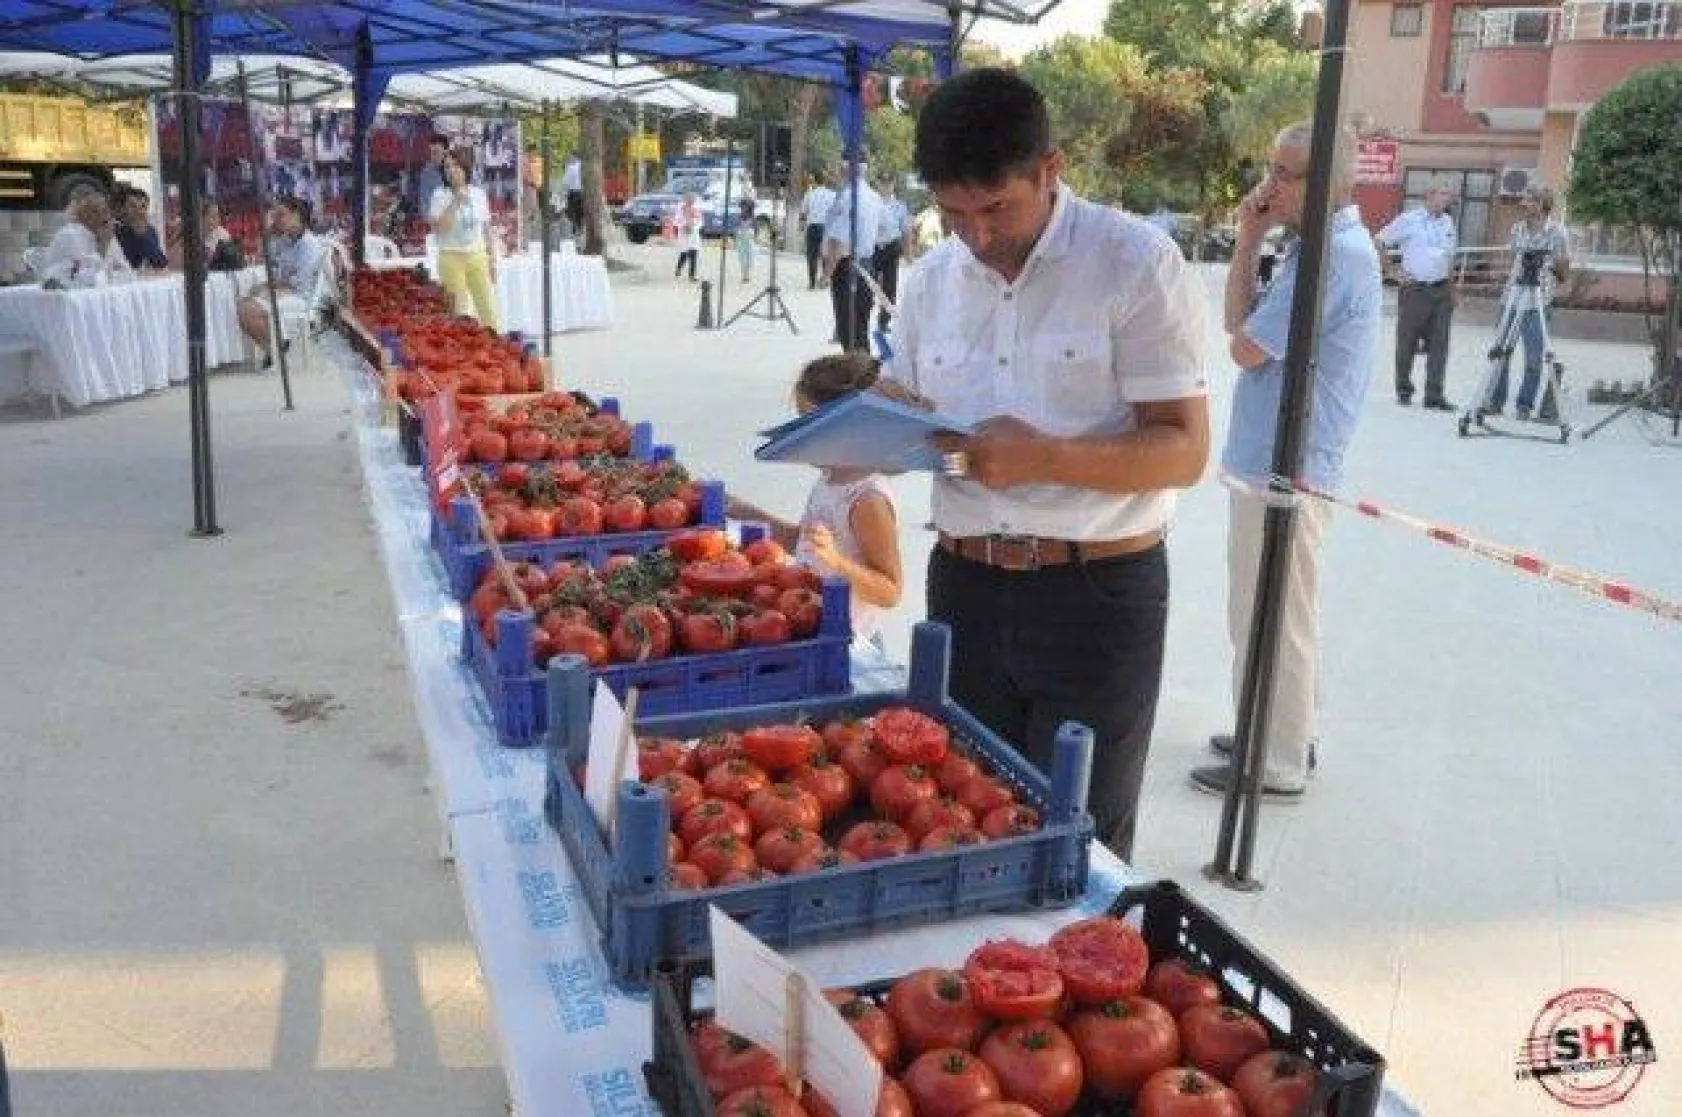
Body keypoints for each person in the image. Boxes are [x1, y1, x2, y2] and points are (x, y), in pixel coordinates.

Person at [883, 68, 1209, 860]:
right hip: (964, 583)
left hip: (1094, 592)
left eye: (998, 207)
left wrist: (1045, 455)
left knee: (1078, 841)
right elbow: (907, 396)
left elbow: (1185, 448)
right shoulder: (930, 280)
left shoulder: (1134, 263)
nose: (978, 234)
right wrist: (867, 428)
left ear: (1050, 170)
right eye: (953, 212)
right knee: (960, 821)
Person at [1192, 122, 1382, 802]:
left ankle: (1276, 756)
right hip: (1271, 459)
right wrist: (1249, 238)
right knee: (1268, 606)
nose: (1269, 185)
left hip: (1288, 465)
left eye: (1287, 173)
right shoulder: (1313, 249)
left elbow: (1244, 349)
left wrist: (1255, 239)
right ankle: (1273, 727)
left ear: (1333, 181)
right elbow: (1237, 324)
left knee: (1274, 613)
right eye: (1270, 167)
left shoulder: (1334, 257)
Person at [727, 353, 904, 647]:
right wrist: (743, 510)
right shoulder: (829, 479)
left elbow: (890, 591)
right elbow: (804, 542)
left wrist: (838, 562)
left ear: (848, 426)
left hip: (852, 644)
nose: (800, 436)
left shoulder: (867, 500)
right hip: (814, 628)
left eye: (809, 424)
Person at [1481, 184, 1571, 422]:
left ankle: (1524, 404)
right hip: (1513, 296)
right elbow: (1515, 259)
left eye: (1530, 200)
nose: (1524, 203)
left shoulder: (1557, 232)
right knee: (1502, 351)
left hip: (1540, 300)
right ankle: (1495, 401)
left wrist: (1551, 264)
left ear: (1541, 205)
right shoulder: (1518, 229)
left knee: (1534, 357)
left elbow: (1564, 269)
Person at [1377, 184, 1458, 409]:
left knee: (1440, 344)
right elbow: (1380, 241)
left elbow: (1450, 258)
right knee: (1407, 342)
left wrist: (1452, 290)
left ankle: (1434, 394)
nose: (1447, 200)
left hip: (1441, 289)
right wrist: (1391, 271)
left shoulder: (1448, 223)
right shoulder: (1409, 220)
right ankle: (1404, 388)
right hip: (1415, 289)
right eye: (1443, 194)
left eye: (1449, 196)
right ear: (1429, 195)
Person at [237, 196, 329, 361]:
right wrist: (269, 232)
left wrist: (269, 287)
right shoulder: (286, 241)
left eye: (281, 215)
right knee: (245, 301)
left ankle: (274, 346)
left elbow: (298, 281)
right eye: (275, 216)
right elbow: (263, 257)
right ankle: (276, 344)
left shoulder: (309, 244)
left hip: (300, 295)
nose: (277, 220)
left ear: (297, 215)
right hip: (285, 290)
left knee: (247, 309)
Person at [429, 148, 500, 330]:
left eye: (456, 166)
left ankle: (495, 347)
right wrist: (455, 201)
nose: (451, 171)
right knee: (459, 313)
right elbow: (439, 228)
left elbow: (486, 228)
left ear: (466, 169)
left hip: (477, 256)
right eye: (447, 167)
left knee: (488, 309)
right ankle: (463, 353)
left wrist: (492, 259)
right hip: (451, 257)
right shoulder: (439, 195)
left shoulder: (478, 194)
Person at [821, 160, 884, 352]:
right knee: (861, 328)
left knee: (848, 331)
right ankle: (864, 375)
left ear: (844, 169)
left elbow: (840, 243)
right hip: (867, 266)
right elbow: (884, 235)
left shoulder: (848, 197)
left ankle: (857, 378)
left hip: (847, 269)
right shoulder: (875, 197)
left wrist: (826, 274)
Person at [40, 185, 133, 287]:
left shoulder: (106, 234)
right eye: (96, 211)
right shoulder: (70, 235)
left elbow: (126, 270)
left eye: (106, 211)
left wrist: (116, 274)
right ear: (82, 215)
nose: (104, 216)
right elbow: (85, 277)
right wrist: (103, 246)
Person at [872, 176, 913, 332]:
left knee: (889, 287)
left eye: (889, 183)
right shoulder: (871, 202)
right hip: (873, 248)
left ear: (893, 184)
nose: (886, 186)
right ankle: (861, 316)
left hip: (891, 247)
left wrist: (908, 254)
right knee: (868, 284)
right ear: (877, 184)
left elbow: (906, 230)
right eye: (883, 183)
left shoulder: (900, 206)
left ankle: (884, 321)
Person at [112, 186, 170, 271]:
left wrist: (143, 235)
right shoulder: (114, 232)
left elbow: (160, 263)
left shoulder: (150, 231)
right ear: (121, 209)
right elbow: (127, 263)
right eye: (133, 206)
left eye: (143, 206)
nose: (139, 211)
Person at [799, 173, 836, 290]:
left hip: (813, 227)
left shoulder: (809, 194)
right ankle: (825, 280)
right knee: (826, 254)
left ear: (814, 181)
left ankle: (812, 282)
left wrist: (801, 226)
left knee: (812, 255)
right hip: (827, 228)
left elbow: (803, 212)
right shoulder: (832, 195)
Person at [199, 200, 246, 271]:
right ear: (202, 217)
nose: (213, 220)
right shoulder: (195, 232)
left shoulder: (223, 234)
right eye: (210, 216)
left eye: (216, 216)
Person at [417, 135, 448, 222]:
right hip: (436, 218)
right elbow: (424, 200)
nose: (432, 156)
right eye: (431, 152)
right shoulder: (426, 172)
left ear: (446, 151)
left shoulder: (456, 168)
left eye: (436, 152)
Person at [674, 193, 702, 281]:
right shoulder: (680, 210)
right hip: (684, 235)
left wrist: (694, 226)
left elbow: (700, 222)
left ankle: (692, 275)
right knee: (684, 254)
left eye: (692, 200)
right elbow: (676, 221)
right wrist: (683, 226)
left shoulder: (696, 210)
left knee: (693, 253)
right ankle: (679, 268)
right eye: (688, 200)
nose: (690, 202)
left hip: (693, 235)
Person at [734, 197, 757, 283]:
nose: (743, 209)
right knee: (742, 257)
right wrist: (737, 236)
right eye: (742, 207)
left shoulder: (753, 218)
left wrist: (753, 235)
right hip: (741, 239)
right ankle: (744, 275)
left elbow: (755, 231)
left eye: (745, 206)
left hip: (750, 240)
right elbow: (736, 228)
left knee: (750, 257)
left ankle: (747, 275)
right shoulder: (739, 217)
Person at [561, 155, 585, 237]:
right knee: (580, 213)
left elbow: (565, 183)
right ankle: (580, 228)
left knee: (571, 211)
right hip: (583, 193)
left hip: (574, 193)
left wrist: (564, 194)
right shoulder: (583, 166)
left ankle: (576, 229)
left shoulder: (571, 167)